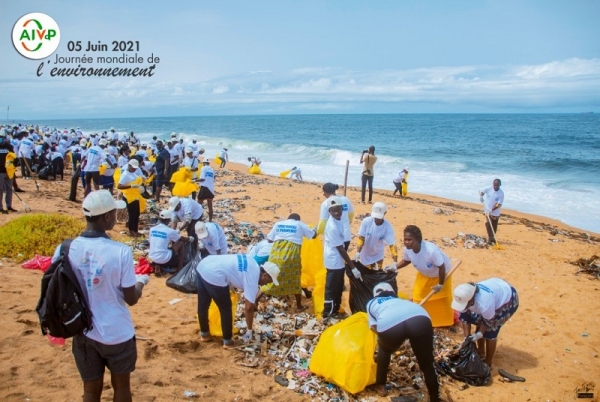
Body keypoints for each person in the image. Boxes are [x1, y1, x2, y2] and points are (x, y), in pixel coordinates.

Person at [50, 190, 149, 402]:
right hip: (117, 332)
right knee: (122, 387)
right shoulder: (120, 251)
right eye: (114, 214)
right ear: (105, 217)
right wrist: (142, 282)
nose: (116, 217)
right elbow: (131, 298)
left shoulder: (65, 248)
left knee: (90, 389)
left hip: (83, 330)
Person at [367, 283, 440, 401]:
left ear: (375, 295)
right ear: (392, 293)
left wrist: (387, 341)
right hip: (420, 318)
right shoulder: (401, 300)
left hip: (389, 324)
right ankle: (434, 397)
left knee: (384, 349)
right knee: (427, 363)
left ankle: (381, 386)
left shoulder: (371, 303)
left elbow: (373, 327)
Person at [195, 254, 280, 347]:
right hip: (215, 274)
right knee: (226, 308)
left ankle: (204, 334)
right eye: (269, 280)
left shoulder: (252, 262)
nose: (267, 283)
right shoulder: (253, 278)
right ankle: (227, 341)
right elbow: (248, 308)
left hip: (203, 265)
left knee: (203, 304)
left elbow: (234, 269)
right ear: (265, 275)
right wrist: (249, 331)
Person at [386, 225, 454, 327]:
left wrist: (440, 284)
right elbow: (406, 260)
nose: (407, 242)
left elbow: (441, 267)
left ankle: (445, 323)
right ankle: (424, 318)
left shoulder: (430, 251)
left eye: (410, 240)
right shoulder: (407, 249)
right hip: (424, 275)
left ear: (417, 239)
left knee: (442, 299)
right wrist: (395, 267)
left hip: (441, 276)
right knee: (419, 297)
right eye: (405, 239)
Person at [452, 278, 519, 367]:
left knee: (490, 332)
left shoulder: (484, 303)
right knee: (478, 322)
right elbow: (465, 318)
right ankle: (480, 352)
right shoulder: (464, 297)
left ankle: (488, 362)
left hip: (507, 298)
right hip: (495, 288)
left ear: (471, 300)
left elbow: (488, 321)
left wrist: (479, 334)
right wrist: (467, 337)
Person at [263, 213, 316, 311]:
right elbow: (313, 235)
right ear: (298, 220)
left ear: (288, 219)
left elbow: (269, 240)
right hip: (291, 254)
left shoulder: (278, 224)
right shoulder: (299, 224)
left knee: (270, 276)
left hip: (276, 254)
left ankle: (256, 301)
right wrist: (316, 229)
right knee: (295, 278)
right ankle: (299, 306)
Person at [323, 196, 359, 318]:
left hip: (338, 260)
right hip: (334, 260)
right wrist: (353, 267)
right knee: (331, 287)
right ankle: (328, 313)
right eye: (333, 211)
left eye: (338, 209)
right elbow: (341, 249)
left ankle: (336, 310)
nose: (337, 212)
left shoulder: (338, 221)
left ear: (342, 209)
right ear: (329, 212)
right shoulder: (332, 226)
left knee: (338, 286)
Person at [355, 202, 397, 271]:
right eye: (375, 217)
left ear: (385, 213)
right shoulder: (366, 222)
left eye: (379, 217)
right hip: (365, 255)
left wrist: (395, 262)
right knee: (366, 273)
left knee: (377, 274)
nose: (376, 219)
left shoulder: (387, 227)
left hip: (378, 255)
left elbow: (392, 245)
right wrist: (358, 252)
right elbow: (361, 238)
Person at [149, 210, 193, 275]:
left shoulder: (152, 229)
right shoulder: (169, 231)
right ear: (168, 220)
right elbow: (182, 239)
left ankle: (158, 265)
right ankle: (180, 269)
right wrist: (189, 238)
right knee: (180, 243)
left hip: (152, 257)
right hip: (164, 258)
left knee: (163, 248)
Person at [317, 183, 354, 250]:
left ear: (325, 192)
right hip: (346, 236)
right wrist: (347, 223)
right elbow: (351, 214)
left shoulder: (325, 204)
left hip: (334, 238)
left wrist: (317, 232)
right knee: (343, 256)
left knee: (335, 258)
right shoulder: (345, 199)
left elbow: (322, 223)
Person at [117, 159, 144, 237]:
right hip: (129, 197)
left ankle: (136, 230)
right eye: (133, 167)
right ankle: (131, 231)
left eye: (135, 168)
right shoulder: (125, 174)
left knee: (137, 214)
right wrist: (130, 186)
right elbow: (119, 186)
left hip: (135, 196)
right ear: (129, 165)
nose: (134, 169)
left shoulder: (133, 173)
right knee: (132, 214)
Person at [479, 179, 504, 245]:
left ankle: (492, 237)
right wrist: (481, 196)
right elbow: (482, 191)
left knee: (494, 226)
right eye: (494, 185)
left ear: (500, 185)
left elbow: (499, 205)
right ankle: (490, 238)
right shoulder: (489, 188)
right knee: (488, 224)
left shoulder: (501, 194)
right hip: (487, 210)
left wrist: (491, 210)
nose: (495, 187)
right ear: (493, 184)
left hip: (495, 213)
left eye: (497, 185)